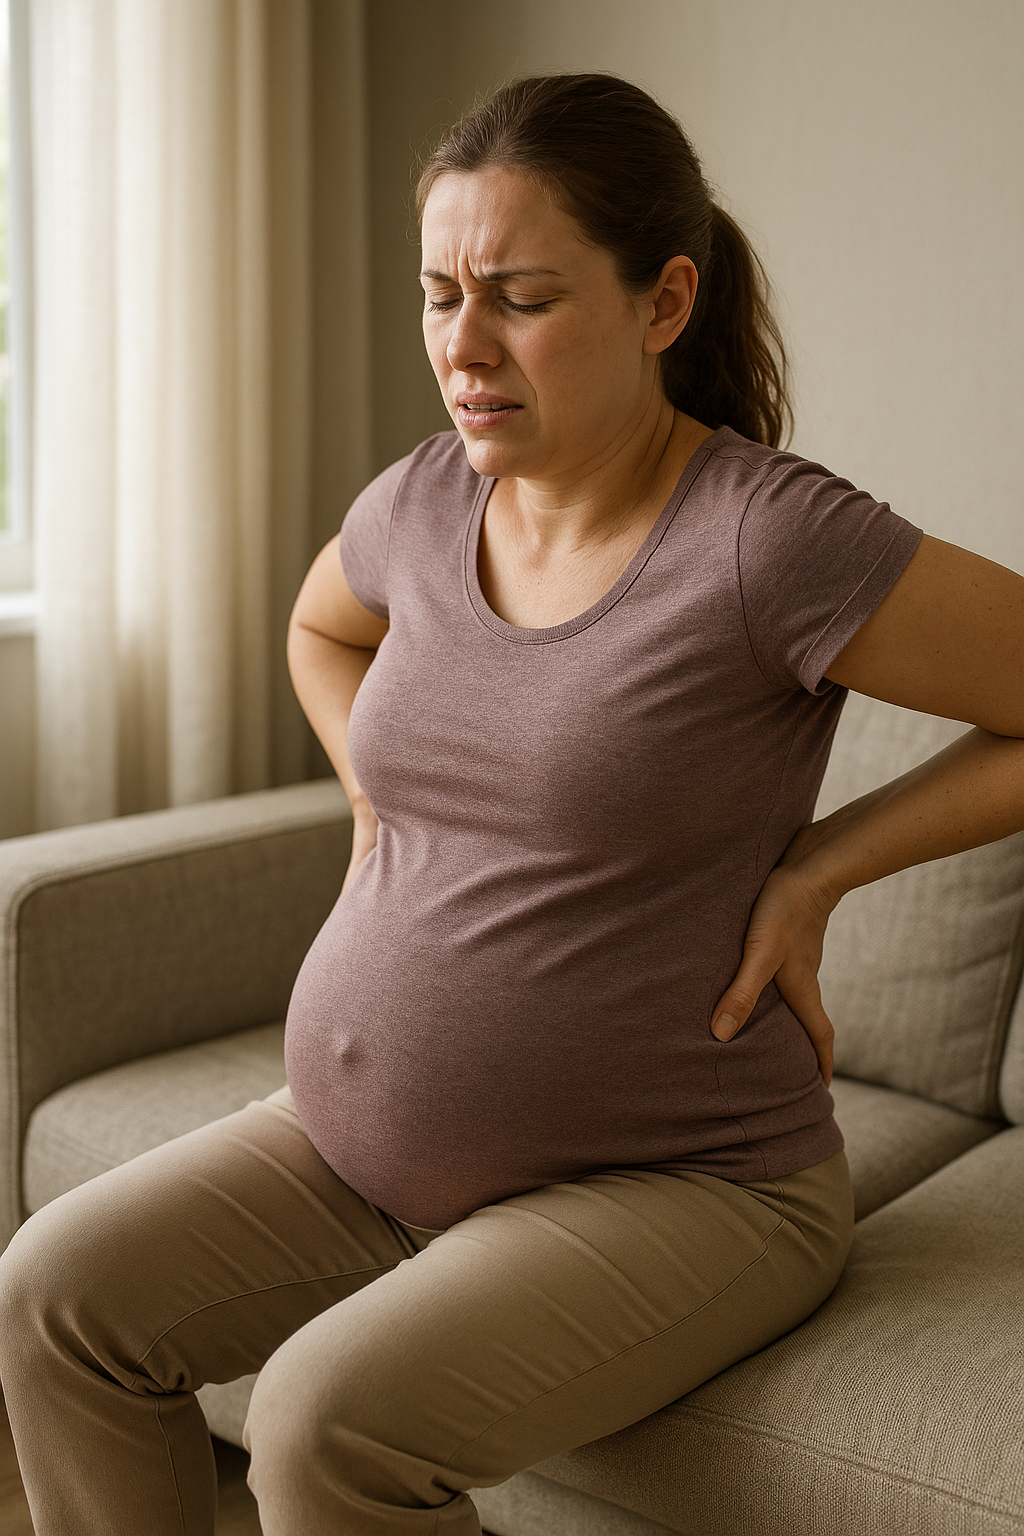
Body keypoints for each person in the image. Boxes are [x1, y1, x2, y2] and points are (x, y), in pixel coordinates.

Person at [2, 71, 1023, 1536]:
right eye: (438, 296)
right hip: (356, 1147)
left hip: (689, 1183)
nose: (461, 350)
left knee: (320, 1427)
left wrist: (821, 871)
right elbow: (316, 630)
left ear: (664, 302)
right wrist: (380, 796)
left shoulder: (764, 541)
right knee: (52, 1299)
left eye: (522, 298)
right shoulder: (426, 500)